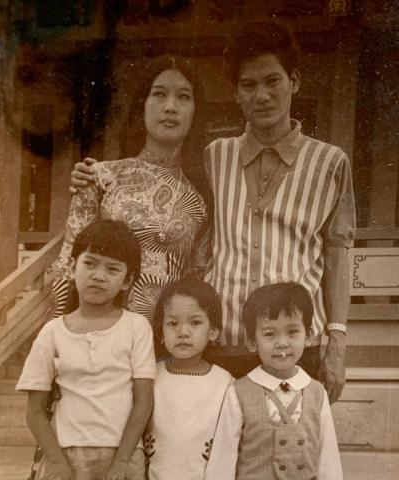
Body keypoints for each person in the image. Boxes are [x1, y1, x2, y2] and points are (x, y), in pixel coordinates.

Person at [71, 21, 356, 402]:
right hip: (223, 346)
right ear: (236, 94)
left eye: (273, 81)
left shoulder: (331, 163)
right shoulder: (213, 157)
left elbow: (338, 253)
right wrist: (92, 175)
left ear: (296, 81)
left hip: (297, 343)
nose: (263, 96)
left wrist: (337, 340)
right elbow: (162, 180)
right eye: (249, 86)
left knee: (294, 454)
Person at [53, 54, 210, 323]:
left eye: (184, 97)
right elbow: (67, 265)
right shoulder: (101, 177)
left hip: (160, 342)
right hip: (97, 338)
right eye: (159, 94)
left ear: (196, 112)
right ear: (142, 105)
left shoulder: (200, 201)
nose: (170, 107)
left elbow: (194, 280)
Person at [17, 219, 156, 480]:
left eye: (112, 269)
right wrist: (57, 462)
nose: (98, 275)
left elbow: (143, 400)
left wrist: (123, 461)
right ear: (71, 267)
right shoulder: (52, 332)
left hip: (122, 453)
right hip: (65, 453)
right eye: (89, 263)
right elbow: (34, 411)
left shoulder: (136, 327)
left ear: (127, 281)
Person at [204, 282, 343, 480]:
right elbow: (223, 458)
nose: (282, 343)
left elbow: (328, 460)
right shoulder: (238, 392)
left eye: (293, 332)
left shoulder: (317, 392)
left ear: (308, 336)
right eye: (269, 334)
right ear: (252, 342)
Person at [143, 278, 233, 479]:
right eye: (173, 323)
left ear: (213, 331)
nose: (183, 332)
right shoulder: (150, 375)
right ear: (161, 333)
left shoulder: (224, 382)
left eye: (195, 322)